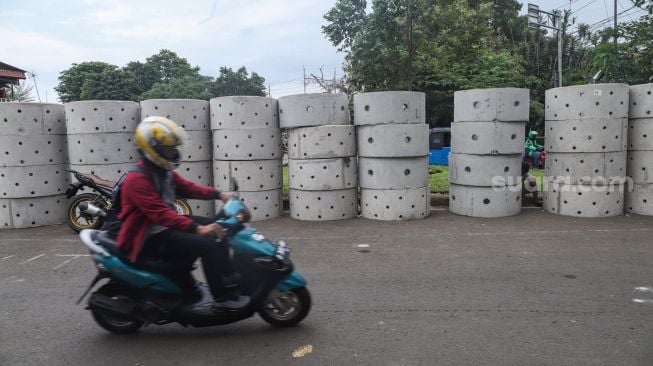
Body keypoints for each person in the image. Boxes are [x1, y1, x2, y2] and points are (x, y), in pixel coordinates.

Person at [116, 116, 249, 310]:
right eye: (169, 148)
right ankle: (222, 298)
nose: (174, 152)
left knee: (219, 228)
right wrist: (198, 229)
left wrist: (220, 194)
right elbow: (160, 214)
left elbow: (188, 188)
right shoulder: (137, 179)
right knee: (209, 243)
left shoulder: (162, 171)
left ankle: (230, 280)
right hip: (147, 238)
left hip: (161, 228)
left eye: (174, 147)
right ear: (153, 149)